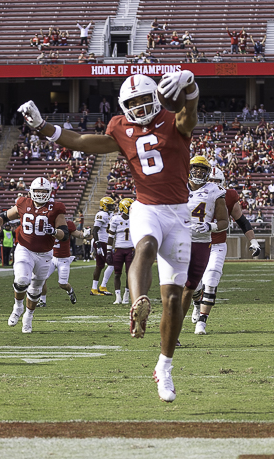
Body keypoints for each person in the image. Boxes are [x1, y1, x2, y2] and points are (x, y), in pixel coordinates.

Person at [18, 70, 199, 402]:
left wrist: (189, 83)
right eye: (134, 102)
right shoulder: (119, 127)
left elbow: (190, 113)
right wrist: (42, 127)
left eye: (146, 99)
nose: (141, 106)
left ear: (157, 98)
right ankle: (137, 303)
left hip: (179, 212)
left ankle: (164, 367)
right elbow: (84, 143)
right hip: (146, 207)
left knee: (174, 300)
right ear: (123, 105)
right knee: (144, 246)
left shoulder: (174, 121)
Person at [0, 177, 67, 333]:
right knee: (21, 280)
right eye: (37, 191)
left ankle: (28, 317)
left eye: (43, 191)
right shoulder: (23, 203)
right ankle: (17, 307)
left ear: (49, 192)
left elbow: (64, 234)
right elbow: (4, 215)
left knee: (35, 289)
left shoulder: (56, 207)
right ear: (31, 192)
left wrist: (53, 231)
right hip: (25, 248)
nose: (40, 194)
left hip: (45, 253)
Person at [194, 167, 261, 334]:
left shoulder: (229, 196)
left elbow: (242, 220)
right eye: (212, 181)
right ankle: (196, 303)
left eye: (218, 182)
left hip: (217, 245)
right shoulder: (194, 194)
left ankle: (202, 320)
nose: (215, 185)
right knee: (194, 286)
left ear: (223, 183)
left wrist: (253, 240)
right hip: (197, 244)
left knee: (211, 281)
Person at [182, 158, 228, 336]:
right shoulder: (178, 186)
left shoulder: (214, 191)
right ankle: (175, 327)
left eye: (203, 169)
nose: (199, 172)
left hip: (201, 242)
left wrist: (211, 226)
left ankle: (182, 326)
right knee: (177, 286)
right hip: (179, 241)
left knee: (190, 286)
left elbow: (224, 221)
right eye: (196, 168)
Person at [38, 219, 88, 306]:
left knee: (62, 284)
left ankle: (70, 291)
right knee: (42, 279)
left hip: (64, 259)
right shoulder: (49, 223)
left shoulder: (68, 224)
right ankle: (42, 301)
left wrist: (85, 234)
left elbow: (78, 235)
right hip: (52, 258)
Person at [107, 198, 136, 305]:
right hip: (118, 249)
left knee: (130, 274)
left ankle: (126, 296)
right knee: (117, 274)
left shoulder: (135, 219)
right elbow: (110, 237)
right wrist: (109, 251)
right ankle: (118, 296)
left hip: (131, 249)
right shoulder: (115, 219)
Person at [91, 196, 116, 296]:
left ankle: (94, 289)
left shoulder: (109, 215)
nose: (112, 207)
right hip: (101, 242)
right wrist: (98, 244)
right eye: (110, 206)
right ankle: (103, 286)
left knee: (99, 266)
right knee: (112, 264)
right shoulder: (101, 214)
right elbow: (95, 230)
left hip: (103, 242)